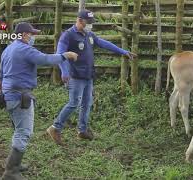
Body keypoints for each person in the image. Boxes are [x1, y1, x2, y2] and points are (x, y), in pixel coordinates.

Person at [0, 22, 78, 180]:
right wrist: (65, 55)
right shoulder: (24, 49)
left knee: (18, 130)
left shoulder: (8, 49)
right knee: (24, 132)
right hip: (19, 96)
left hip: (8, 95)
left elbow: (0, 74)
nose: (33, 37)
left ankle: (15, 164)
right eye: (31, 34)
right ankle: (11, 171)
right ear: (23, 34)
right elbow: (45, 59)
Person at [47, 10, 136, 145]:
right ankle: (55, 128)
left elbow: (103, 43)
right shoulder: (68, 36)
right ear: (80, 20)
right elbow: (60, 55)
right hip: (74, 76)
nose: (90, 25)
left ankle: (82, 131)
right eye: (88, 23)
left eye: (91, 23)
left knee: (87, 104)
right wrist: (64, 71)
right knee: (73, 103)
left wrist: (123, 52)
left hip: (88, 75)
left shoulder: (89, 34)